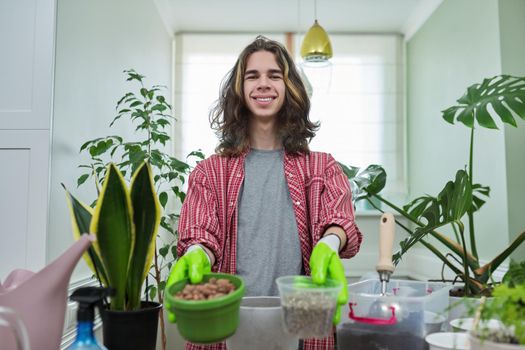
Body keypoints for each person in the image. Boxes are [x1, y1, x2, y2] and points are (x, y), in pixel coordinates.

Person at [166, 35, 363, 350]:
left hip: (301, 328)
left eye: (275, 75)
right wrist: (196, 254)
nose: (263, 84)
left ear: (290, 88)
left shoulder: (322, 168)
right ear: (239, 90)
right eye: (252, 76)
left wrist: (329, 242)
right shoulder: (209, 173)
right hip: (228, 329)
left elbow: (337, 216)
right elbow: (201, 232)